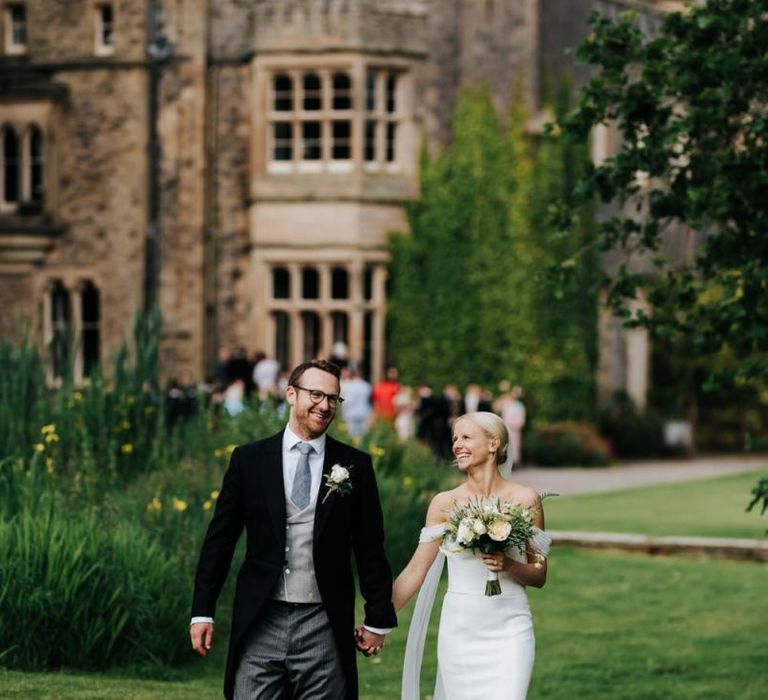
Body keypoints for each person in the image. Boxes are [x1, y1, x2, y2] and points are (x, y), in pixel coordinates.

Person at [190, 359, 397, 700]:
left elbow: (370, 546)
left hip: (324, 620)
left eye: (333, 398)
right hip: (261, 617)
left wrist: (377, 618)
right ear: (290, 394)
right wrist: (202, 610)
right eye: (316, 394)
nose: (325, 405)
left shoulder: (354, 465)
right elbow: (220, 541)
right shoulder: (249, 460)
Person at [393, 411, 550, 700]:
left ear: (494, 444)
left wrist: (510, 566)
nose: (456, 445)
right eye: (454, 439)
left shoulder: (527, 500)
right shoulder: (444, 502)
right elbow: (416, 570)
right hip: (461, 630)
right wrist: (378, 617)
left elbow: (539, 574)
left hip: (511, 627)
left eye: (466, 437)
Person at [496, 382, 527, 466]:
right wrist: (502, 396)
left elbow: (522, 417)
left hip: (515, 428)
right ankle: (505, 461)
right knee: (505, 444)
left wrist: (519, 425)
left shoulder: (519, 405)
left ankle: (515, 462)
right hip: (505, 427)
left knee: (515, 445)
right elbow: (496, 407)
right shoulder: (505, 403)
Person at [340, 364, 373, 438]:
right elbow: (370, 402)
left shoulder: (348, 386)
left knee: (351, 438)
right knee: (362, 437)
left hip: (351, 414)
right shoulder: (367, 386)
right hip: (364, 413)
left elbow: (346, 402)